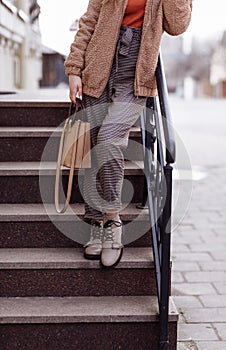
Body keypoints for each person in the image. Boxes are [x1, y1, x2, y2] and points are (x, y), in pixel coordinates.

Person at [64, 0, 192, 268]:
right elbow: (89, 20)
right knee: (93, 147)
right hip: (98, 65)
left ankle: (113, 219)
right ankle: (96, 223)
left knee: (109, 139)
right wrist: (75, 68)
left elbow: (178, 25)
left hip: (136, 74)